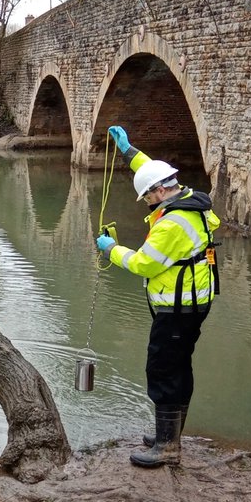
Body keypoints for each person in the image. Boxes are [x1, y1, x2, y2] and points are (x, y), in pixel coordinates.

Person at [94, 125, 221, 468]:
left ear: (160, 192)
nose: (148, 203)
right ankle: (171, 434)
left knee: (163, 368)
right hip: (195, 301)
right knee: (179, 365)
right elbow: (154, 173)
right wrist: (129, 151)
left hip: (178, 308)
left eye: (148, 197)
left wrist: (111, 250)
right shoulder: (188, 198)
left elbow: (144, 264)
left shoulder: (170, 225)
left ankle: (167, 446)